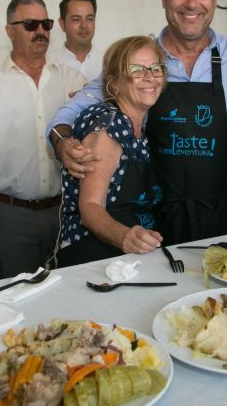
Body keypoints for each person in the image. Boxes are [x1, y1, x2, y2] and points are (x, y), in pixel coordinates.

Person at [49, 0, 227, 246]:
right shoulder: (137, 59)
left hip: (222, 218)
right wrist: (62, 143)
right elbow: (66, 114)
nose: (192, 3)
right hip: (155, 226)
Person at [0, 0, 85, 278]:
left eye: (45, 24)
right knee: (18, 297)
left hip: (64, 209)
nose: (41, 32)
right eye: (31, 24)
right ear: (10, 31)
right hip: (11, 214)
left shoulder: (71, 79)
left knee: (70, 292)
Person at [58, 36, 166, 265]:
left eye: (156, 68)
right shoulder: (108, 129)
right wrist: (125, 237)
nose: (150, 77)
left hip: (127, 259)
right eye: (137, 70)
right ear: (114, 82)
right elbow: (90, 208)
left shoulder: (139, 126)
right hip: (94, 259)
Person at [51, 0, 104, 82]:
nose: (84, 25)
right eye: (76, 19)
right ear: (62, 24)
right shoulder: (49, 64)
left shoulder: (108, 64)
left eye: (89, 19)